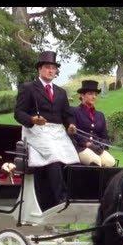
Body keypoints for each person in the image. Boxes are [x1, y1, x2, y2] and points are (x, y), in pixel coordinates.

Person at [14, 50, 79, 210]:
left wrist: (70, 125)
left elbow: (67, 114)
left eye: (53, 68)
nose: (51, 70)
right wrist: (32, 120)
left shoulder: (61, 92)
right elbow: (18, 113)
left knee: (72, 156)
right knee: (54, 155)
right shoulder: (28, 88)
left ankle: (74, 193)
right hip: (36, 131)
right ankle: (61, 198)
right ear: (40, 69)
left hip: (57, 132)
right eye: (47, 67)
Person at [71, 80, 116, 167]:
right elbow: (74, 133)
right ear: (82, 95)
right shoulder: (74, 111)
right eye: (90, 94)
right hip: (81, 148)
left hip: (97, 148)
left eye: (95, 94)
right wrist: (87, 144)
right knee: (95, 160)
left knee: (110, 162)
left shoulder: (100, 115)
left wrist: (101, 145)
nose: (94, 96)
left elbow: (104, 136)